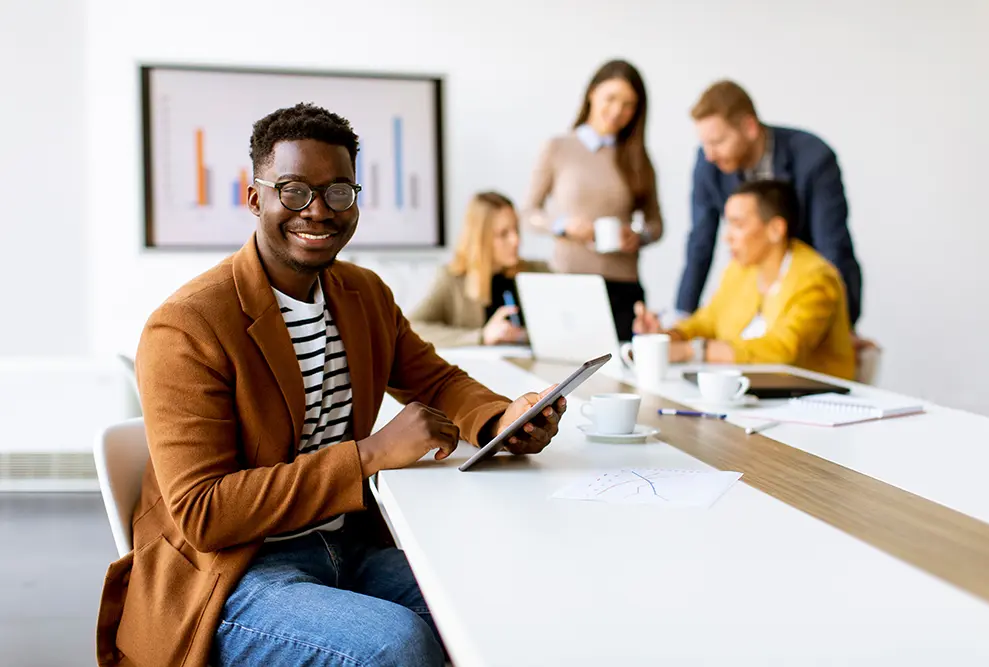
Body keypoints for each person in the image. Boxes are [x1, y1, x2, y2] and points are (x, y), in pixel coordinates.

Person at [95, 103, 567, 667]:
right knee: (397, 645)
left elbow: (435, 380)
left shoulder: (363, 294)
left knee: (488, 601)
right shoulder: (188, 325)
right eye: (294, 191)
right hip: (231, 573)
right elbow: (204, 512)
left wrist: (502, 419)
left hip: (347, 544)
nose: (318, 211)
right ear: (256, 199)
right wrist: (369, 455)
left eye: (338, 192)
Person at [676, 80, 863, 328]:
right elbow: (700, 242)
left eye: (718, 142)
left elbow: (832, 246)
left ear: (750, 127)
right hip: (756, 293)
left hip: (807, 293)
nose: (710, 154)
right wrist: (681, 317)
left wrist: (840, 326)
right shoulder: (709, 164)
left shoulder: (813, 159)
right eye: (705, 144)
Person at [634, 180, 855, 380]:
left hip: (809, 401)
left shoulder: (815, 277)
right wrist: (666, 337)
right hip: (745, 391)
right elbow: (708, 321)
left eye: (738, 225)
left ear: (776, 229)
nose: (727, 236)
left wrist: (693, 350)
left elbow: (785, 350)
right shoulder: (741, 270)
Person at [523, 59, 664, 342]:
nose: (617, 112)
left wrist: (639, 236)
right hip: (570, 283)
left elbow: (656, 223)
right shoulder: (558, 148)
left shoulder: (638, 158)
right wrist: (564, 226)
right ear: (592, 93)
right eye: (610, 98)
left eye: (629, 105)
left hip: (623, 287)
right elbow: (528, 213)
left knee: (623, 373)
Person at [409, 191, 548, 348]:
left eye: (516, 229)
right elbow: (412, 329)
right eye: (503, 234)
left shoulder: (539, 271)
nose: (515, 240)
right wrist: (482, 336)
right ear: (480, 238)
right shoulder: (452, 279)